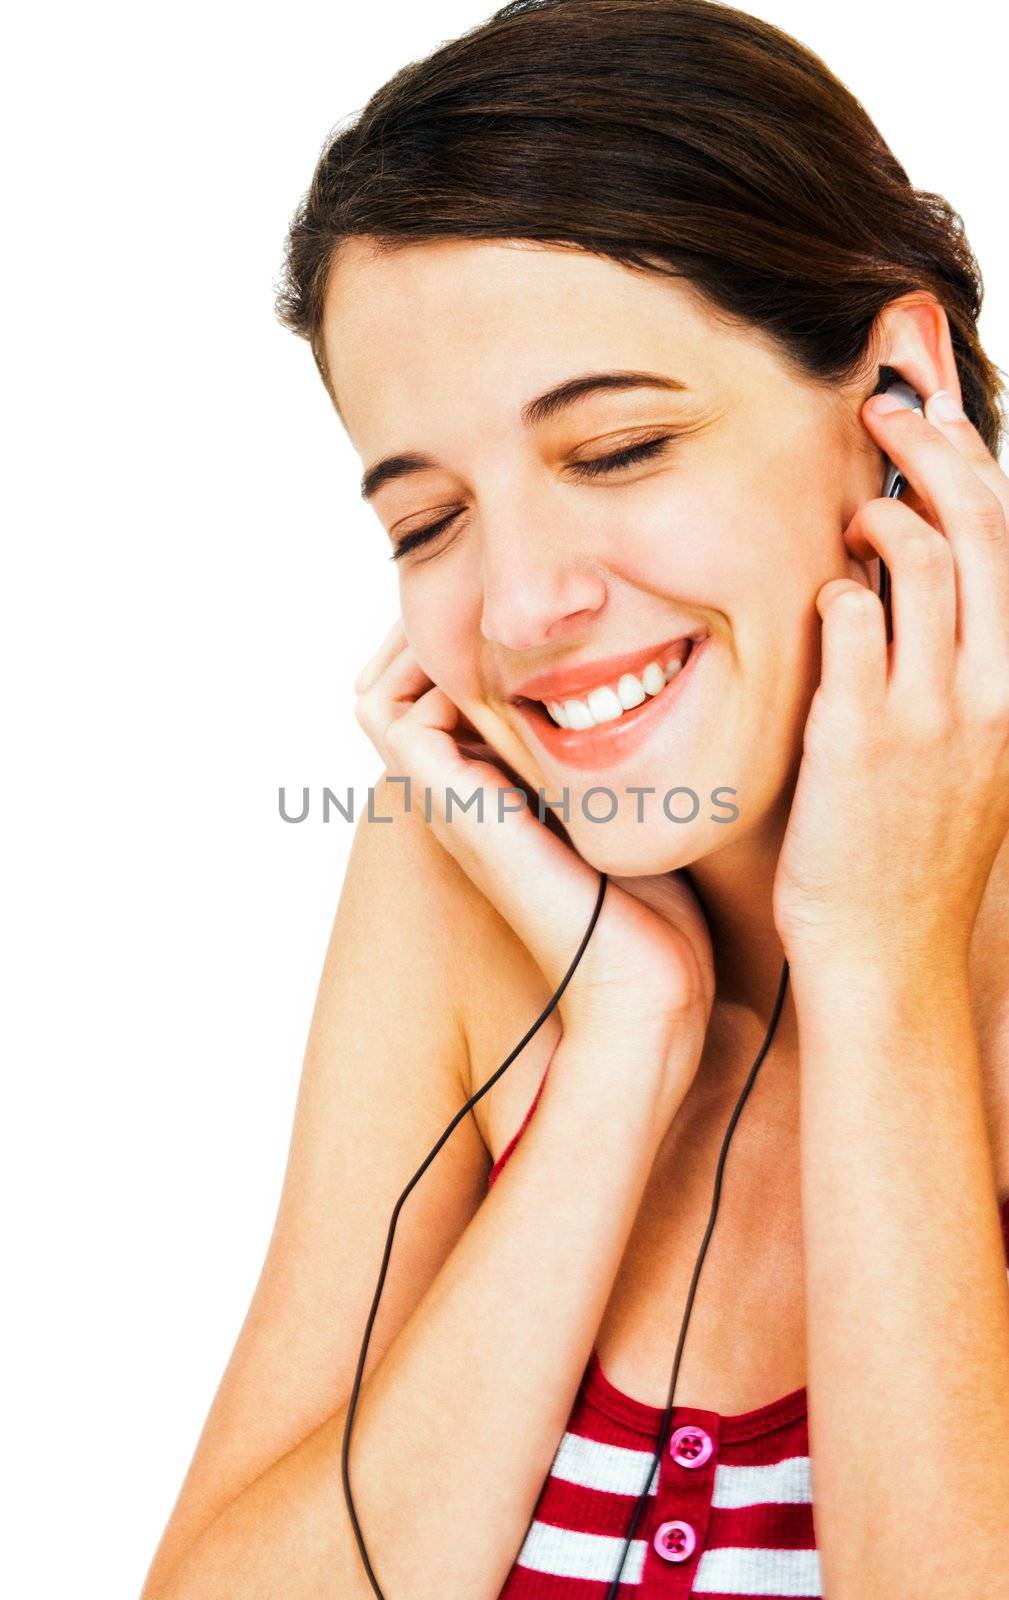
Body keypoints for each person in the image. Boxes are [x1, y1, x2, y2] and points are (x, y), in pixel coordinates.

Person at [140, 2, 1009, 1595]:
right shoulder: (469, 878)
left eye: (614, 448)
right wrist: (624, 1042)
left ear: (898, 386)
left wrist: (880, 971)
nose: (521, 604)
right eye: (426, 522)